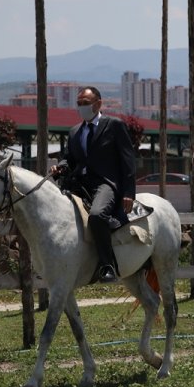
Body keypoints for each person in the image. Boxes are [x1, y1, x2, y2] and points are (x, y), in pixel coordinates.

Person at [51, 86, 136, 283]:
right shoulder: (74, 132)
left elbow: (128, 161)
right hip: (79, 184)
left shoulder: (114, 125)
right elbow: (69, 159)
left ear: (98, 104)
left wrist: (129, 192)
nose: (81, 107)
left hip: (106, 184)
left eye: (85, 103)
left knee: (97, 216)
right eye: (79, 104)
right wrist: (60, 167)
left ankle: (107, 265)